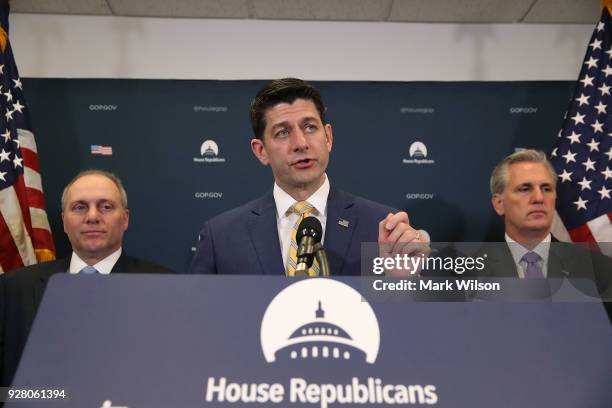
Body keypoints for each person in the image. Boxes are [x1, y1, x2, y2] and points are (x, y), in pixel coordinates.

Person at [188, 78, 427, 276]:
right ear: (261, 151)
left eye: (310, 127)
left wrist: (400, 283)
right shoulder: (220, 237)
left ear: (328, 137)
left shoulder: (383, 227)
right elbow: (197, 320)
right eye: (282, 132)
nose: (301, 143)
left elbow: (413, 324)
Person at [0, 169, 174, 387]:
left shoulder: (166, 288)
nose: (92, 217)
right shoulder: (15, 288)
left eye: (106, 207)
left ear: (125, 219)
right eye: (80, 207)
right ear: (64, 221)